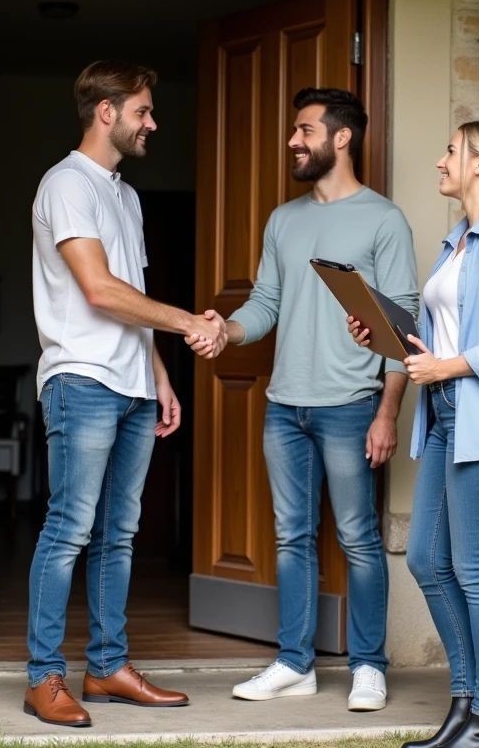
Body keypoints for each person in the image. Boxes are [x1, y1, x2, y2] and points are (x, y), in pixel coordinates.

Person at [187, 88, 418, 711]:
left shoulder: (383, 219)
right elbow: (266, 305)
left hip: (351, 405)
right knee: (291, 537)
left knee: (358, 538)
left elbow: (404, 326)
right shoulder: (283, 220)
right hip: (285, 405)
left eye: (305, 130)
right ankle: (295, 663)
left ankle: (369, 665)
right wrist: (225, 330)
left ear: (341, 138)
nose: (293, 140)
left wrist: (387, 411)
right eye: (295, 130)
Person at [25, 60, 222, 727]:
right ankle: (42, 676)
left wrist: (161, 377)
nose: (152, 124)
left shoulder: (127, 197)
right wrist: (192, 323)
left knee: (119, 535)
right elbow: (101, 291)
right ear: (105, 112)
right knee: (69, 529)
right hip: (81, 380)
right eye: (143, 111)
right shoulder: (66, 185)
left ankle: (107, 665)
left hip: (133, 386)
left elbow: (132, 304)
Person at [347, 121, 479, 748]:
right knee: (430, 561)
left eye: (452, 152)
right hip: (444, 413)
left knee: (475, 569)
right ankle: (464, 706)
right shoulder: (457, 240)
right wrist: (385, 336)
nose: (441, 161)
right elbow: (446, 334)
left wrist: (447, 367)